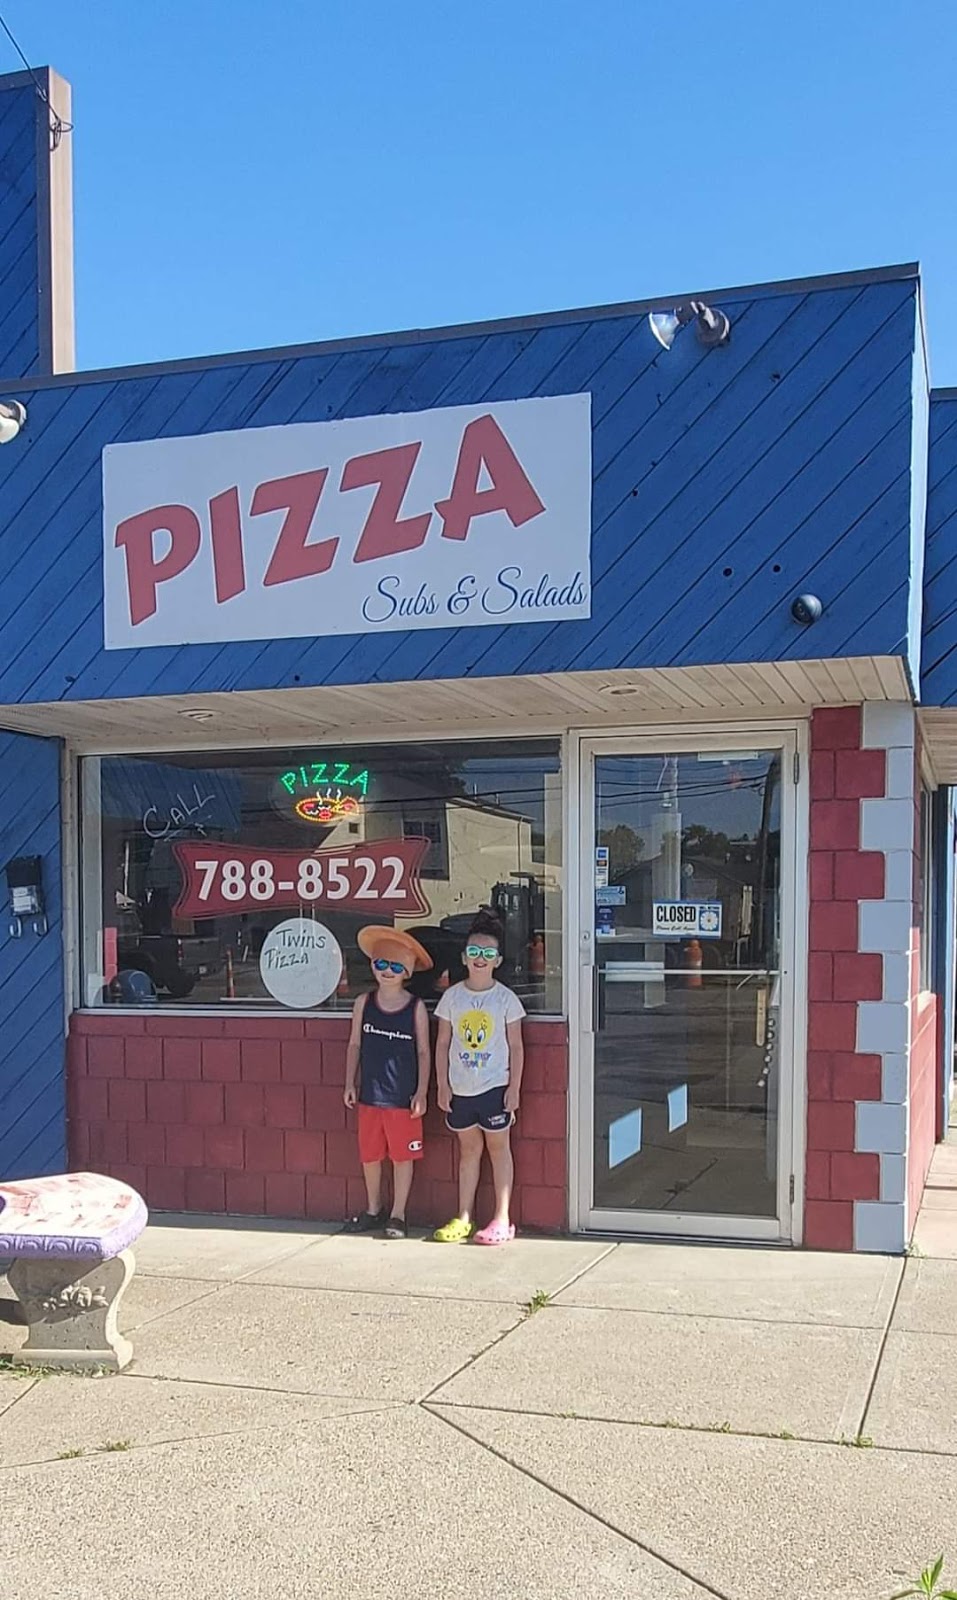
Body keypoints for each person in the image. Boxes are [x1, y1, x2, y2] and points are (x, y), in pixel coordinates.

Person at [433, 911, 525, 1246]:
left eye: (488, 953)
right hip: (461, 1088)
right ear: (464, 957)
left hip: (494, 1087)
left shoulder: (506, 999)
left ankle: (502, 1217)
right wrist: (442, 1084)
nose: (480, 958)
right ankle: (464, 1216)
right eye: (474, 952)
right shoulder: (452, 997)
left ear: (497, 960)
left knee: (499, 1150)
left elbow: (516, 1046)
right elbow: (442, 1042)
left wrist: (514, 1088)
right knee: (468, 1151)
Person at [343, 925, 432, 1239]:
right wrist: (349, 1082)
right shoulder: (363, 1003)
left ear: (407, 972)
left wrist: (421, 1091)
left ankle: (398, 1214)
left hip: (402, 1099)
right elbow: (354, 1044)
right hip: (370, 1094)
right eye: (381, 964)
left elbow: (424, 1052)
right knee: (370, 1155)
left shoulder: (415, 1008)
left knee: (402, 1157)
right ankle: (374, 1208)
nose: (388, 971)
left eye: (396, 966)